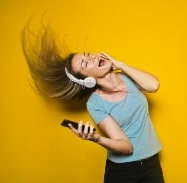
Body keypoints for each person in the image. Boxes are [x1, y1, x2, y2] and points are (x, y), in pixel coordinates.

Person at [21, 24, 165, 183]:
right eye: (85, 63)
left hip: (151, 161)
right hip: (123, 171)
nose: (93, 58)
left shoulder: (128, 76)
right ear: (87, 80)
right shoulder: (95, 103)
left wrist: (121, 64)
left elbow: (154, 85)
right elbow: (126, 147)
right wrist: (97, 138)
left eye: (88, 55)